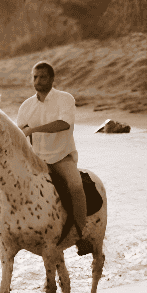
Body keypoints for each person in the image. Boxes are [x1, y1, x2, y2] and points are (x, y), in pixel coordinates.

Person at [15, 60, 93, 256]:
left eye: (42, 77)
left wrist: (33, 129)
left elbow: (64, 124)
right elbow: (20, 132)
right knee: (1, 188)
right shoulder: (27, 105)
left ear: (51, 78)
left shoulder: (65, 99)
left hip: (61, 157)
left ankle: (81, 236)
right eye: (35, 77)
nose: (38, 80)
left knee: (76, 187)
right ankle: (8, 234)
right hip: (37, 159)